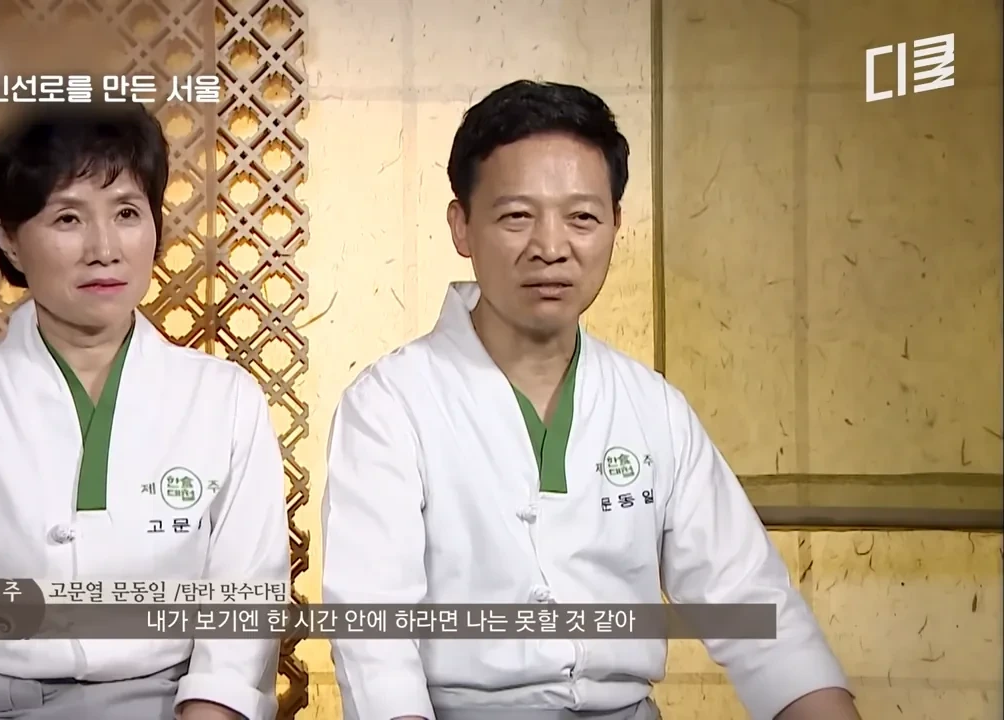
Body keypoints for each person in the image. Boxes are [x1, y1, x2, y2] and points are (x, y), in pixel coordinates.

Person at [320, 80, 860, 720]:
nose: (551, 248)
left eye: (581, 218)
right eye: (517, 216)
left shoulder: (652, 407)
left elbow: (754, 609)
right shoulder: (390, 404)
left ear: (615, 225)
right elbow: (376, 640)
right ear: (461, 226)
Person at [0, 99, 289, 720]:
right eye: (67, 218)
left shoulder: (225, 400)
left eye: (126, 213)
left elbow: (245, 604)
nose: (104, 249)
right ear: (8, 238)